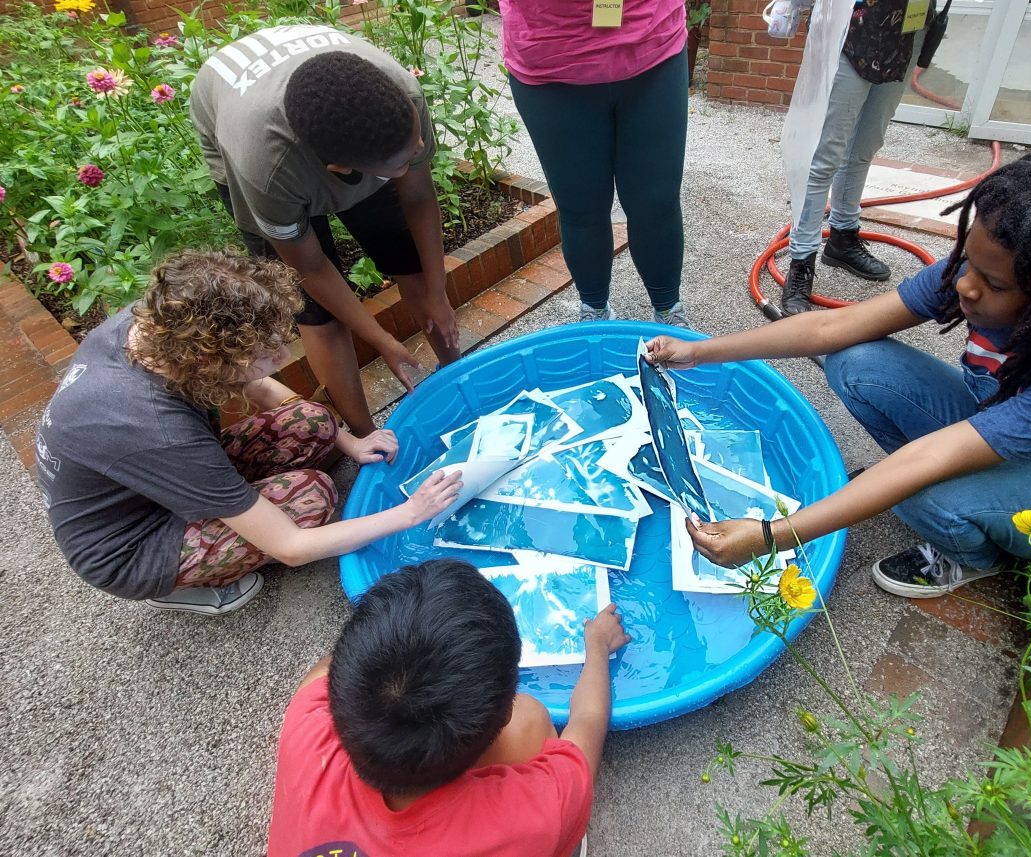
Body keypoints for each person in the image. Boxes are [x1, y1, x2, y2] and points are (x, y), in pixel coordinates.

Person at [649, 151, 1031, 597]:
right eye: (968, 262)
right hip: (998, 424)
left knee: (920, 491)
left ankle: (976, 557)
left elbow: (928, 461)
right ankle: (950, 495)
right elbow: (831, 329)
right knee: (858, 362)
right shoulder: (979, 273)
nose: (966, 286)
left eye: (994, 284)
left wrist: (771, 536)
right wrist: (698, 352)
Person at [36, 252, 463, 615]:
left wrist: (350, 442)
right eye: (266, 352)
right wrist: (412, 512)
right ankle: (176, 587)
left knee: (313, 421)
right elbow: (291, 546)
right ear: (209, 361)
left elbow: (257, 386)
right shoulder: (158, 428)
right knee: (311, 497)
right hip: (132, 545)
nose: (283, 355)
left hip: (152, 484)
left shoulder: (159, 326)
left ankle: (229, 505)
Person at [190, 24, 461, 437]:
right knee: (319, 314)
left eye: (416, 145)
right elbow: (309, 268)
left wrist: (438, 295)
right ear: (343, 168)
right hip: (235, 111)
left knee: (413, 263)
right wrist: (381, 339)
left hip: (326, 106)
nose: (421, 151)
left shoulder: (401, 99)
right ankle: (367, 438)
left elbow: (419, 197)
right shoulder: (267, 169)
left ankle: (457, 377)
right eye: (405, 161)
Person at [266, 559, 631, 856]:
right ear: (502, 714)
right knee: (531, 719)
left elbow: (327, 670)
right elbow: (587, 721)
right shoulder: (532, 816)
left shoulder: (306, 726)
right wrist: (597, 646)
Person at [499, 0, 691, 327]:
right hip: (551, 58)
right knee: (581, 209)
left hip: (653, 45)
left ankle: (668, 314)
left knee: (656, 204)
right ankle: (595, 315)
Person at [781, 0, 936, 316]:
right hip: (854, 26)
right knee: (824, 157)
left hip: (907, 29)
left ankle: (843, 237)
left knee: (865, 146)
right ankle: (802, 260)